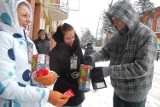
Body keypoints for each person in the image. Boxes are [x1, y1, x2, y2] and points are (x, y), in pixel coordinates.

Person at [84, 0, 158, 107]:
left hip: (135, 96)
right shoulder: (117, 36)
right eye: (113, 20)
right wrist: (92, 58)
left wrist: (108, 70)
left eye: (117, 19)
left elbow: (141, 68)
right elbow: (106, 51)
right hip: (118, 92)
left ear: (127, 17)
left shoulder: (147, 35)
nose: (114, 23)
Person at [0, 0, 69, 107]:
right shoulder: (3, 38)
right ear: (10, 15)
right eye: (24, 15)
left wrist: (50, 75)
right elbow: (5, 87)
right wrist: (47, 95)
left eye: (29, 16)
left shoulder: (29, 43)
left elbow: (33, 72)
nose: (29, 20)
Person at [49, 23, 85, 107]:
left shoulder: (77, 49)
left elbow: (83, 65)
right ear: (62, 38)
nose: (72, 40)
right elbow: (54, 77)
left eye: (73, 37)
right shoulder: (54, 53)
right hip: (63, 95)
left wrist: (84, 79)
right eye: (68, 38)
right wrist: (72, 87)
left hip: (78, 96)